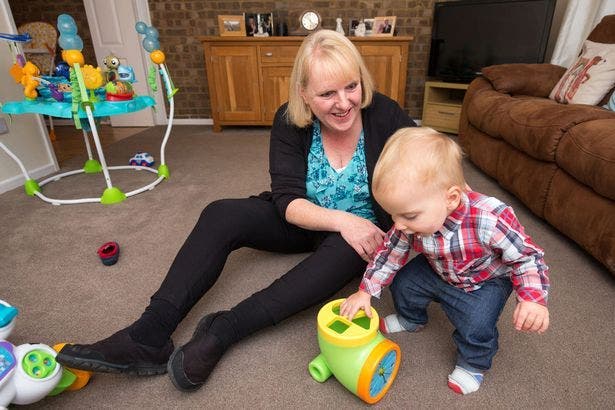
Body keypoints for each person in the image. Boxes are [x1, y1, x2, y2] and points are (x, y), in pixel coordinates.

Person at [57, 30, 416, 392]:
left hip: (359, 238)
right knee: (221, 213)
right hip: (306, 217)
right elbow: (287, 200)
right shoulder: (290, 120)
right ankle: (148, 336)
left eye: (351, 87)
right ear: (304, 95)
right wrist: (344, 220)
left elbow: (427, 166)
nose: (343, 103)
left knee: (345, 250)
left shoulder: (384, 115)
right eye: (326, 94)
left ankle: (223, 331)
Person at [340, 128, 550, 395]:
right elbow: (389, 254)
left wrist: (532, 298)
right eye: (393, 214)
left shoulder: (489, 218)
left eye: (409, 215)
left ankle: (474, 363)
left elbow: (527, 257)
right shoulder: (406, 224)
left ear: (450, 198)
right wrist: (365, 291)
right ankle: (411, 318)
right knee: (404, 283)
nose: (398, 224)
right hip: (438, 268)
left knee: (477, 323)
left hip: (483, 281)